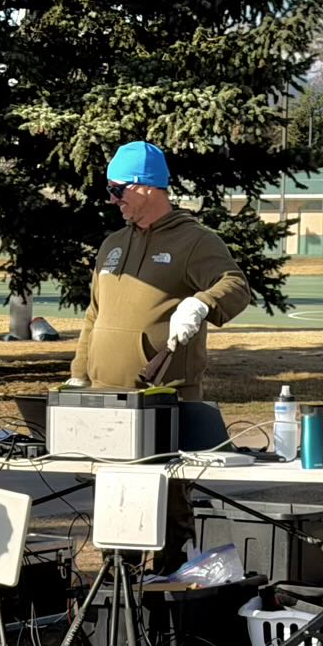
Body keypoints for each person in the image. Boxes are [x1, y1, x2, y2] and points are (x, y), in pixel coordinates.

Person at [69, 140, 252, 565]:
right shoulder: (112, 244)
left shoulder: (195, 242)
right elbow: (94, 315)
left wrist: (201, 303)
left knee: (168, 508)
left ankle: (174, 600)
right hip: (107, 400)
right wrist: (79, 373)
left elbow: (236, 286)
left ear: (147, 187)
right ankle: (120, 598)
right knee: (117, 509)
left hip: (165, 401)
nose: (112, 200)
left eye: (118, 190)